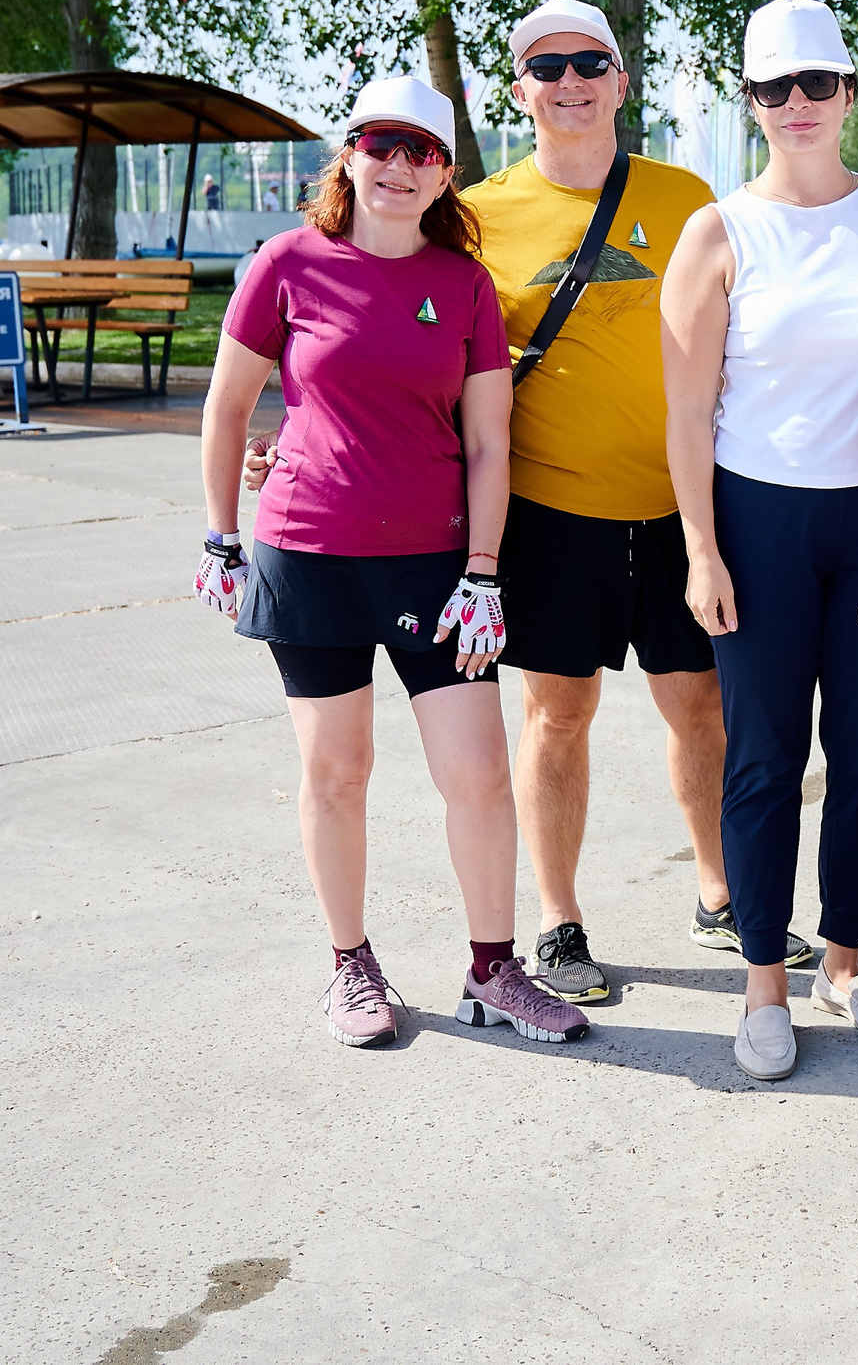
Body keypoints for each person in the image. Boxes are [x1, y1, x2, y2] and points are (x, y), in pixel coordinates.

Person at [195, 75, 588, 1049]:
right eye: (382, 143)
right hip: (308, 555)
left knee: (480, 773)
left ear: (447, 173)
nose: (399, 165)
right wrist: (219, 535)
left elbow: (490, 440)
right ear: (349, 153)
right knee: (337, 770)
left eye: (423, 151)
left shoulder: (461, 285)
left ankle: (494, 968)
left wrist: (485, 569)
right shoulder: (284, 264)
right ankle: (350, 964)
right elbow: (227, 407)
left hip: (434, 564)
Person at [463, 0, 808, 998]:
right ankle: (558, 921)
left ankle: (721, 892)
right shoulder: (482, 214)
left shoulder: (688, 192)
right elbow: (440, 365)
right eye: (547, 66)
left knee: (701, 704)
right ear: (520, 89)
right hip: (550, 511)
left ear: (620, 81)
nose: (569, 82)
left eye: (589, 63)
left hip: (682, 511)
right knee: (558, 711)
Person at [663, 0, 858, 1082]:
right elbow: (683, 412)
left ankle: (845, 959)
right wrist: (700, 547)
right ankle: (765, 980)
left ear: (850, 93)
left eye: (817, 83)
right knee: (767, 759)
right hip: (757, 518)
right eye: (774, 88)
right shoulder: (718, 231)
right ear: (751, 102)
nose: (797, 105)